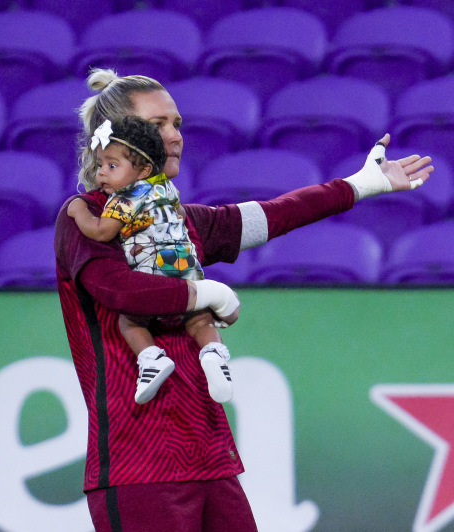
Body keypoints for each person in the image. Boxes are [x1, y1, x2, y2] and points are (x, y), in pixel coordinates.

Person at [54, 68, 433, 531]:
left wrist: (359, 185)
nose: (174, 137)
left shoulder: (182, 220)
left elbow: (273, 215)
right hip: (138, 465)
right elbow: (117, 289)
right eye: (158, 126)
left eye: (177, 124)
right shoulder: (87, 218)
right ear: (116, 145)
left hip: (212, 457)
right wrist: (203, 292)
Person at [67, 116, 237, 405]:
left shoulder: (125, 197)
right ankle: (213, 353)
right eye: (100, 166)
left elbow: (102, 231)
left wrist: (78, 211)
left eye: (111, 166)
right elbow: (181, 215)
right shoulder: (165, 189)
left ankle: (151, 360)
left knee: (130, 321)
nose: (101, 176)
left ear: (143, 169)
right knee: (198, 318)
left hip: (151, 270)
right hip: (185, 264)